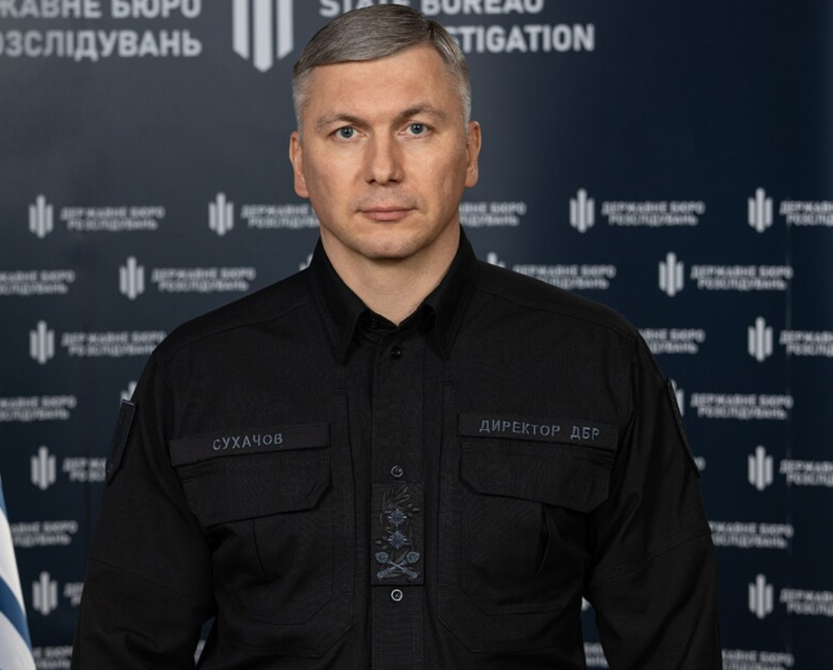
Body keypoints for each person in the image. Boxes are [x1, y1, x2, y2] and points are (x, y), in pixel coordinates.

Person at [72, 5, 720, 668]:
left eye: (416, 127)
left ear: (469, 151)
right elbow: (124, 650)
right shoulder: (196, 374)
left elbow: (674, 650)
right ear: (300, 164)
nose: (383, 168)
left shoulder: (598, 361)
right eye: (346, 131)